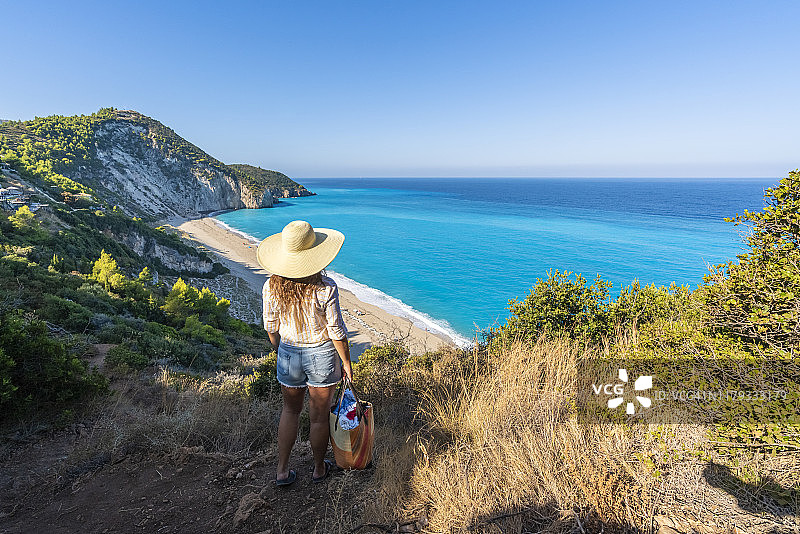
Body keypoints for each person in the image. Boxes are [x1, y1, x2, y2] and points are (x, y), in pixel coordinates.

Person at [257, 220, 353, 487]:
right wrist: (346, 362)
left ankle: (282, 471)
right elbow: (336, 331)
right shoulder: (326, 287)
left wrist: (281, 349)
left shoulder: (271, 287)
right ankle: (319, 468)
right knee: (319, 416)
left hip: (288, 352)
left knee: (289, 411)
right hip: (322, 354)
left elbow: (271, 328)